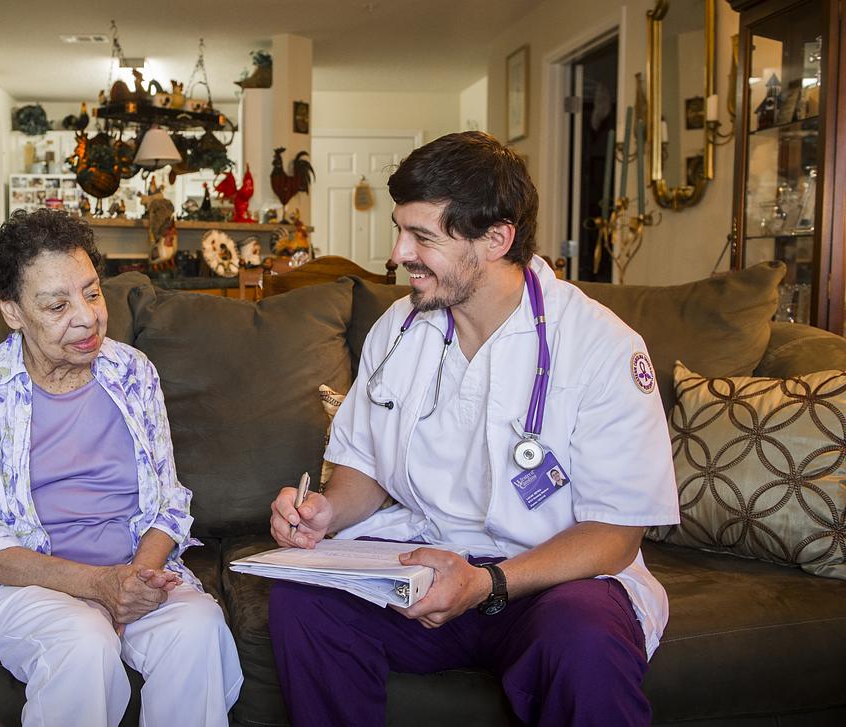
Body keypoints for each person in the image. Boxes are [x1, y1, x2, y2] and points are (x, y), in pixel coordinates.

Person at [267, 131, 679, 727]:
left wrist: (486, 583)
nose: (397, 253)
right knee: (302, 601)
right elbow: (364, 466)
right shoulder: (399, 329)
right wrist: (327, 513)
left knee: (583, 637)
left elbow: (615, 537)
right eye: (399, 229)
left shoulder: (600, 346)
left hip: (546, 579)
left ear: (496, 239)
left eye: (422, 237)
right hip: (421, 566)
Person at [0, 209, 242, 727]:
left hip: (128, 570)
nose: (87, 317)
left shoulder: (132, 371)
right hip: (25, 587)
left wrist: (135, 580)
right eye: (57, 304)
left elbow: (169, 498)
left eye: (92, 293)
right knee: (82, 640)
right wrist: (97, 585)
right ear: (12, 311)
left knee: (198, 626)